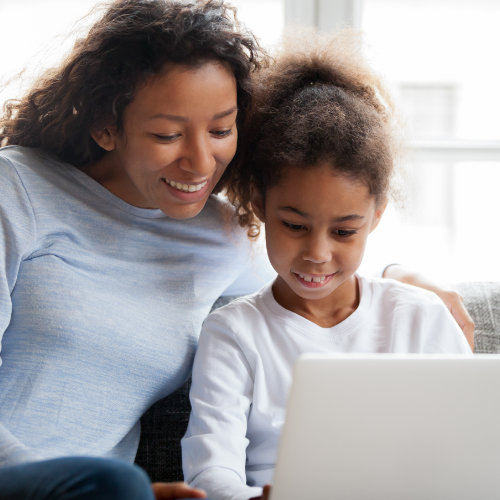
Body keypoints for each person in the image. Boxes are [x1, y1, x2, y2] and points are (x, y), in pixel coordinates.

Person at [0, 0, 472, 498]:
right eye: (167, 134)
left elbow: (314, 258)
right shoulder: (18, 189)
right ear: (105, 125)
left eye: (222, 130)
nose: (201, 163)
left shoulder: (218, 234)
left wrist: (401, 274)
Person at [181, 29, 472, 500]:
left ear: (376, 217)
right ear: (258, 204)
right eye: (295, 225)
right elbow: (211, 474)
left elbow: (470, 452)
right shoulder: (234, 333)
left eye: (343, 231)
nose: (317, 253)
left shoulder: (420, 317)